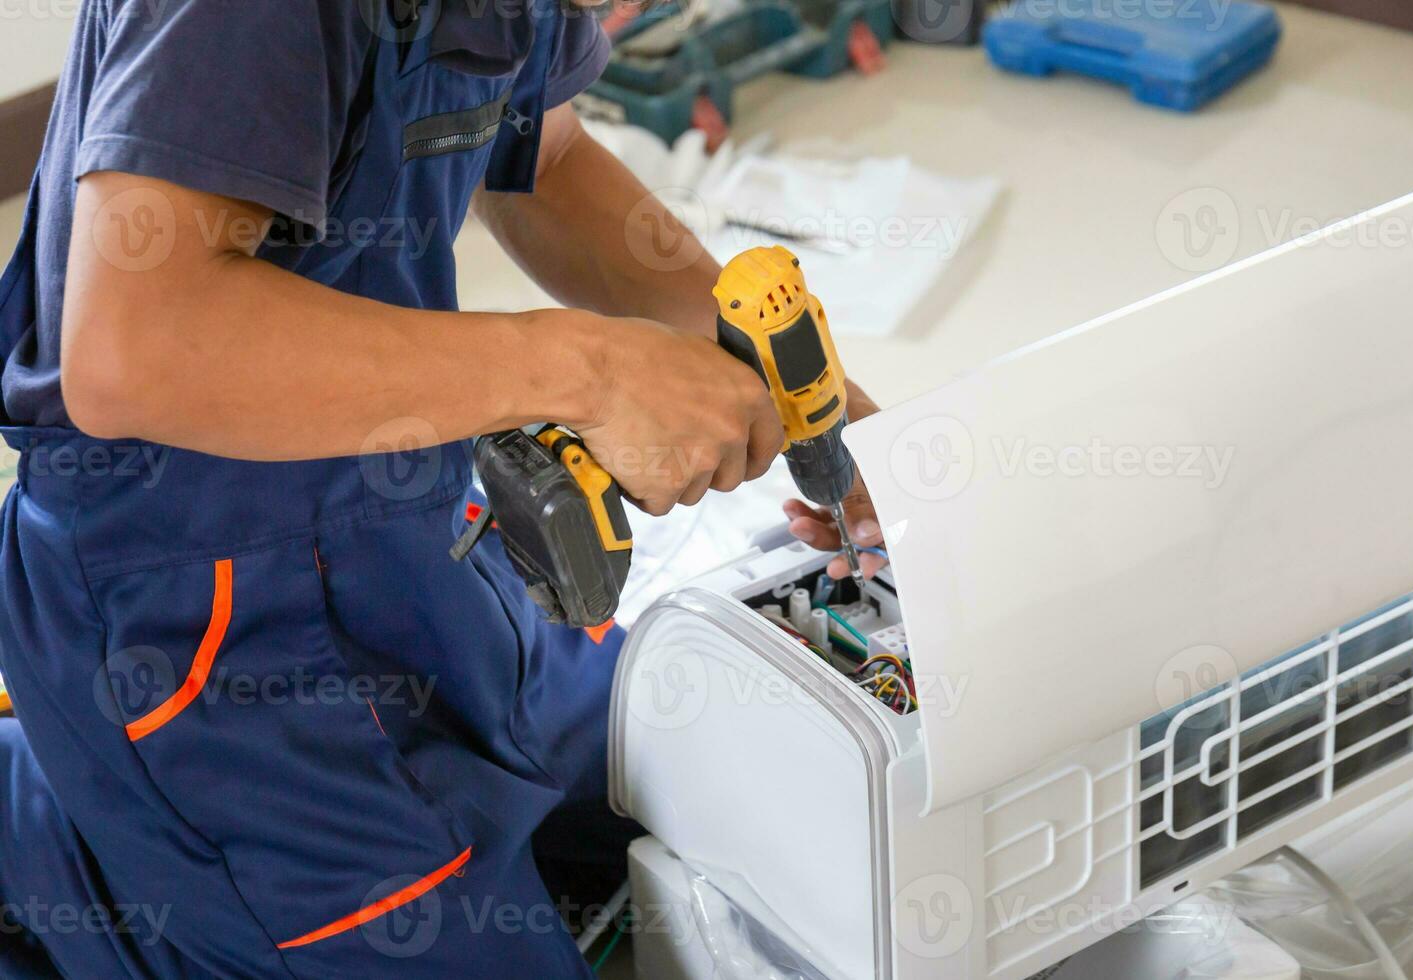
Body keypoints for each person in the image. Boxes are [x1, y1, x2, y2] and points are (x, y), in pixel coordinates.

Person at [0, 0, 885, 974]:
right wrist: (585, 368)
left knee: (729, 771)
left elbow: (539, 161)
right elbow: (134, 348)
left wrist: (787, 393)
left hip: (405, 526)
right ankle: (63, 835)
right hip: (185, 616)